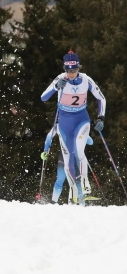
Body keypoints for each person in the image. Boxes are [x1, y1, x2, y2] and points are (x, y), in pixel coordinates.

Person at [41, 51, 106, 206]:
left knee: (79, 149)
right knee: (69, 159)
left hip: (81, 120)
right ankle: (75, 194)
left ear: (78, 68)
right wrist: (56, 87)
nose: (71, 74)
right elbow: (43, 97)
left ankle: (85, 183)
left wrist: (101, 117)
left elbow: (101, 99)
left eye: (74, 70)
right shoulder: (60, 79)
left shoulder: (86, 80)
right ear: (65, 69)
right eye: (68, 71)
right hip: (64, 124)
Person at [41, 124, 93, 204]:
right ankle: (53, 202)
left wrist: (82, 137)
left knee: (77, 182)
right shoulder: (59, 125)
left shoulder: (76, 126)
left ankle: (81, 206)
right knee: (61, 178)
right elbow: (49, 136)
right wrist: (45, 150)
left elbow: (90, 141)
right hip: (65, 156)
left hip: (75, 157)